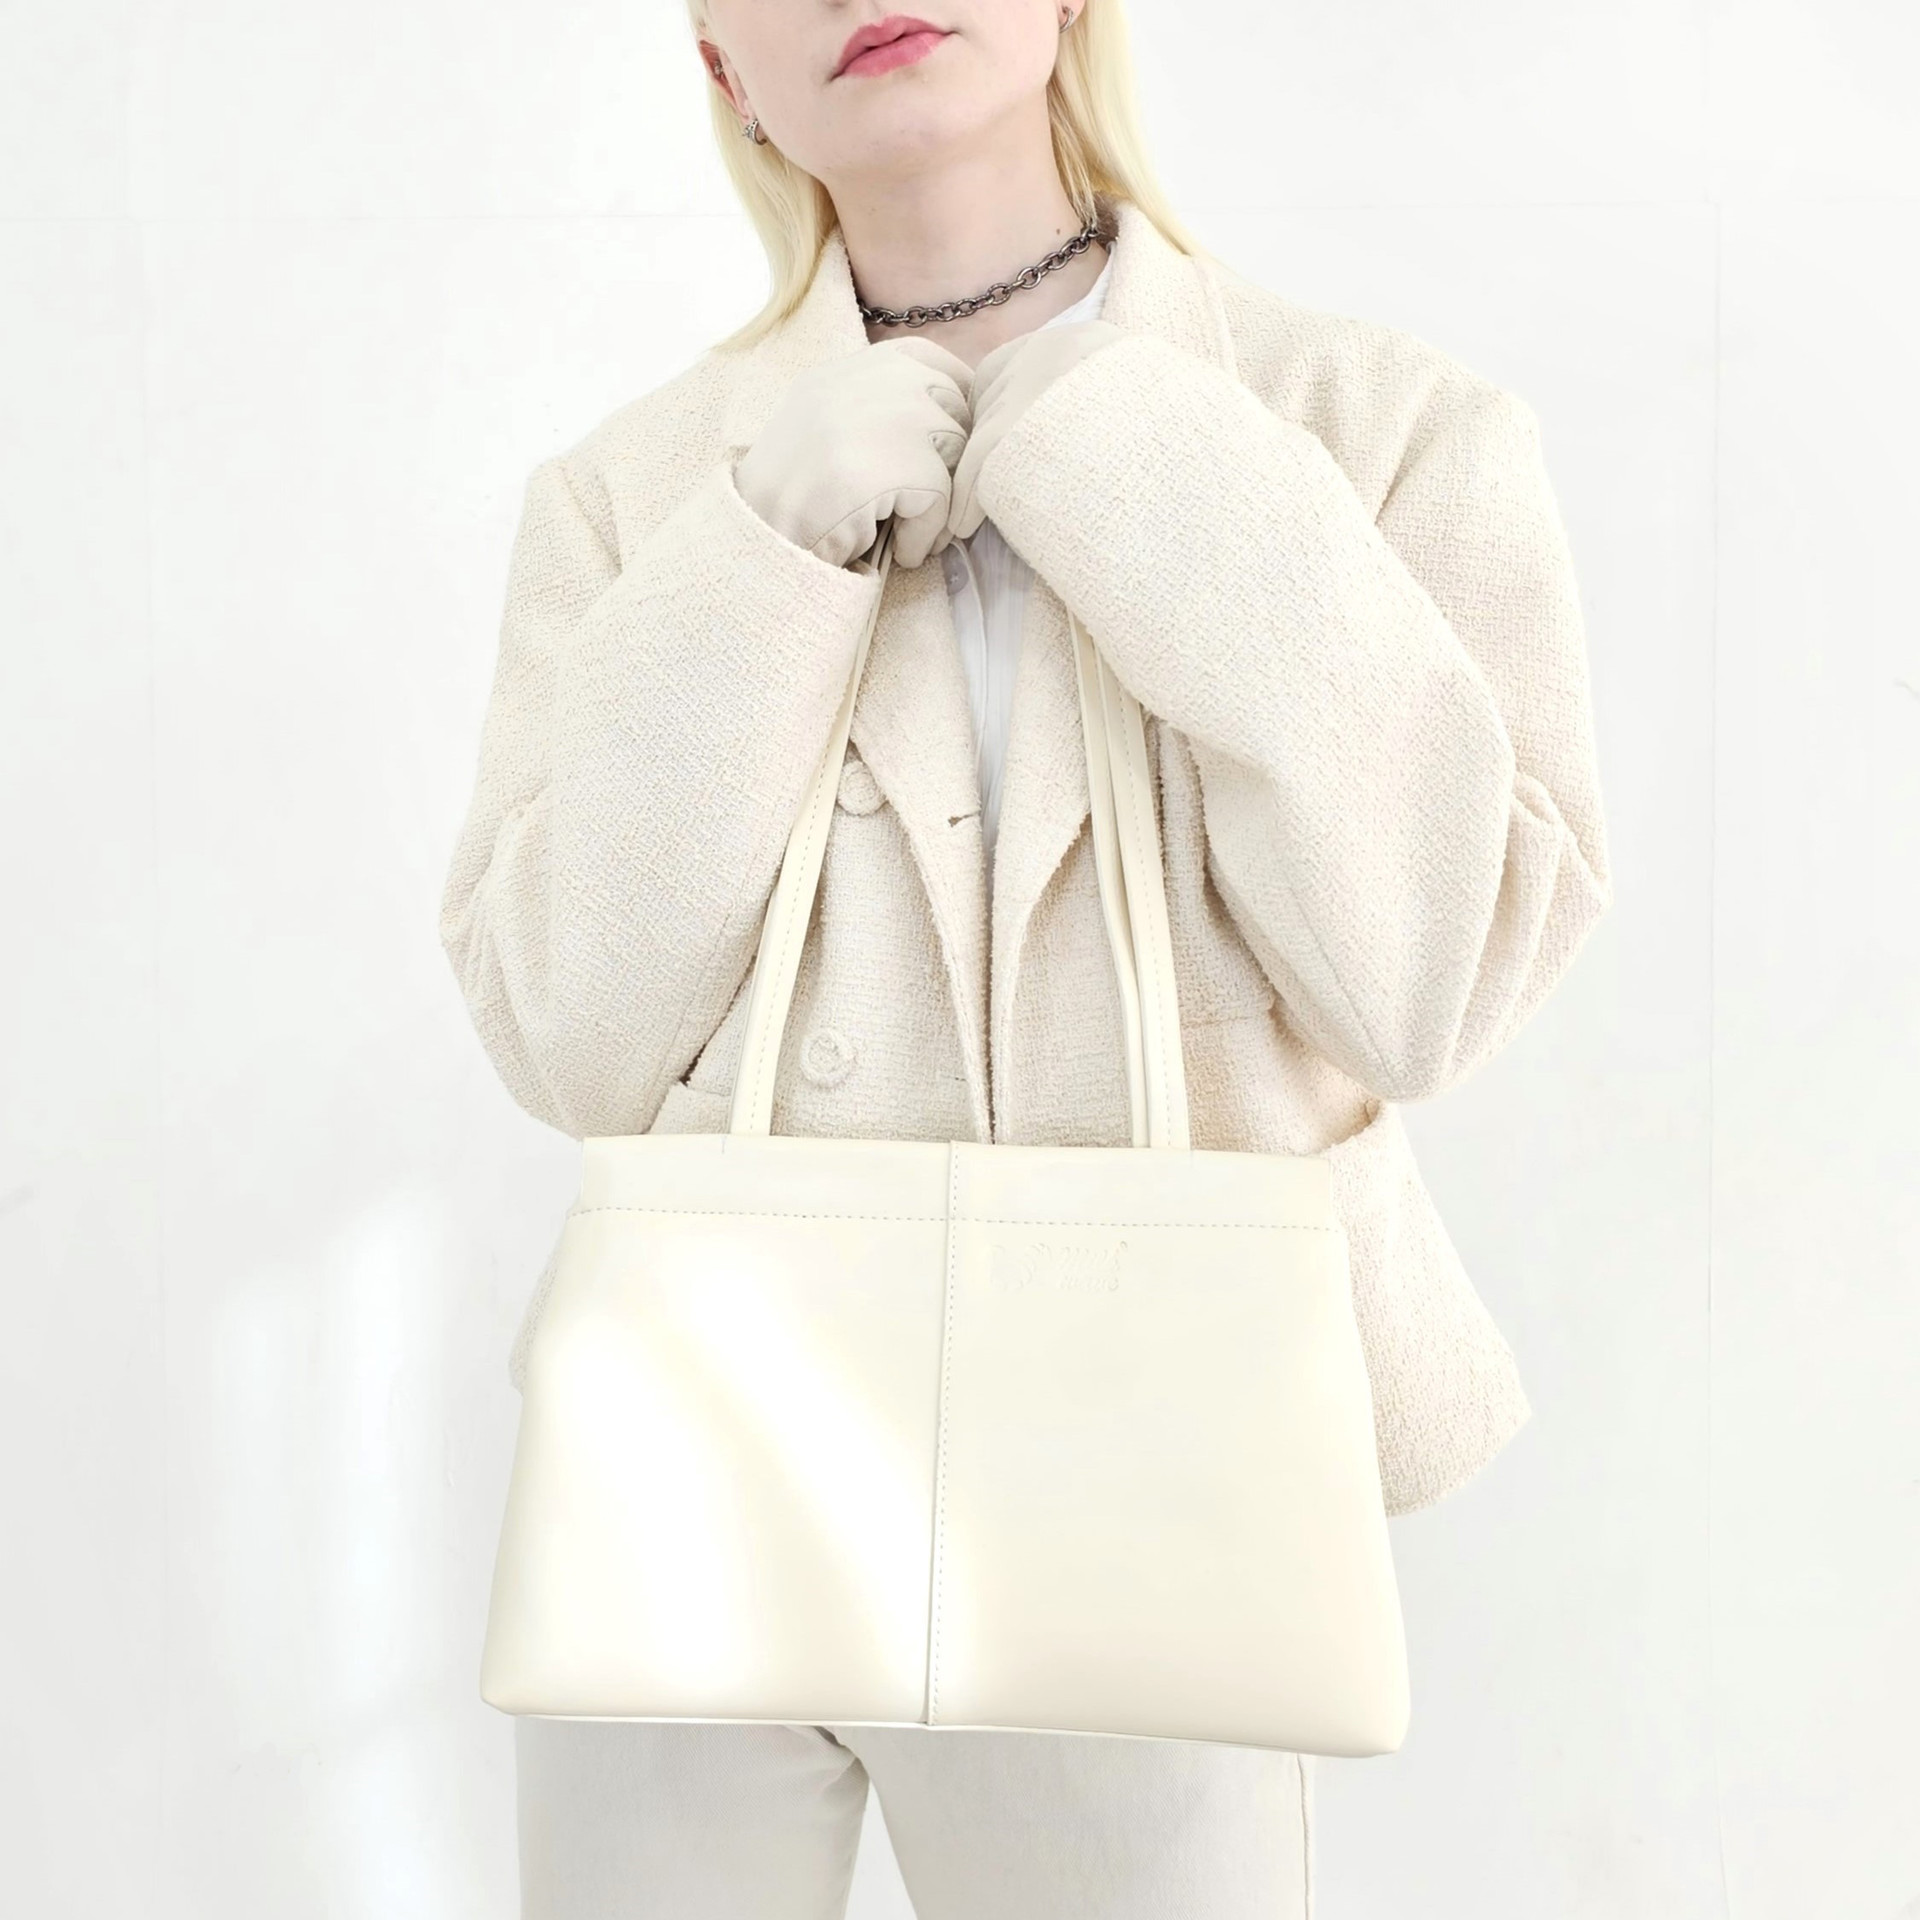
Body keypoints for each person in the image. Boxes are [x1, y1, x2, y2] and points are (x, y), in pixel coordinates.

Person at [437, 3, 1615, 1914]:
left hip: (1154, 1474)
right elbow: (566, 1027)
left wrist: (1143, 455)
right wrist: (761, 550)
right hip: (702, 1470)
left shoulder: (1379, 425)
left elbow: (1437, 979)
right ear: (723, 68)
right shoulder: (633, 496)